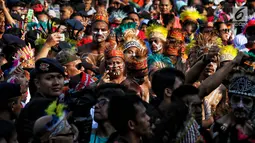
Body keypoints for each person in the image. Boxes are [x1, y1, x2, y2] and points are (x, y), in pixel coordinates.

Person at [16, 58, 65, 143]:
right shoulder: (41, 105)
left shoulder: (48, 101)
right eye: (49, 78)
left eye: (59, 77)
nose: (56, 82)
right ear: (37, 83)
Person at [78, 11, 111, 76]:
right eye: (96, 29)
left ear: (108, 32)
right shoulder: (81, 49)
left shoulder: (113, 48)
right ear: (91, 30)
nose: (99, 33)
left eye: (103, 30)